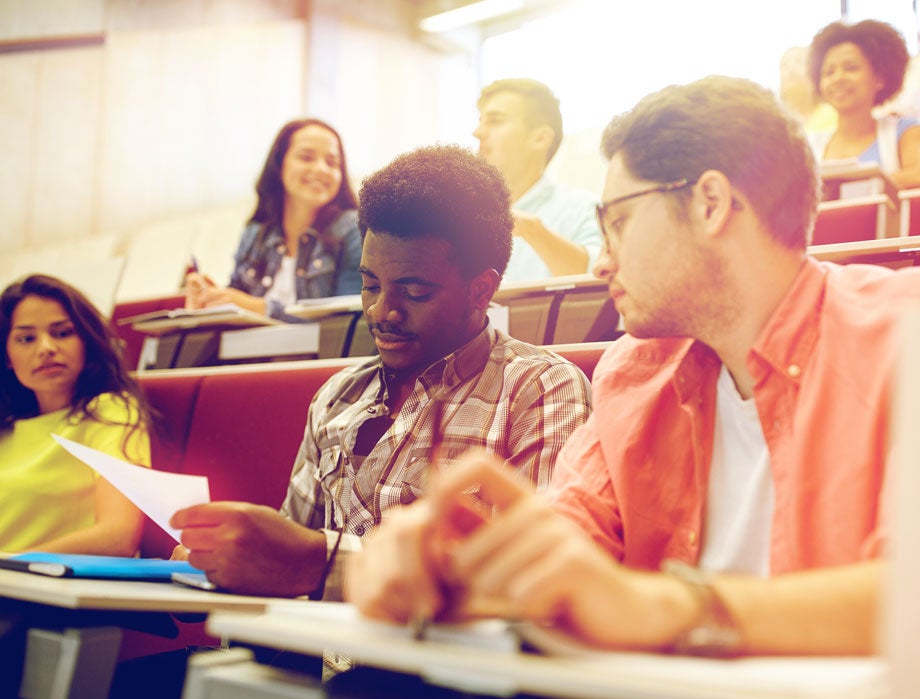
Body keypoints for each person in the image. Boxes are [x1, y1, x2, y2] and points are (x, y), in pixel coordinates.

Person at [347, 76, 920, 657]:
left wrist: (674, 606)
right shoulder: (632, 372)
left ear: (711, 203)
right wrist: (459, 568)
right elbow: (570, 545)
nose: (600, 262)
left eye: (618, 221)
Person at [169, 145, 593, 599]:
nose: (381, 310)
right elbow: (286, 557)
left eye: (414, 292)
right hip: (312, 658)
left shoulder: (540, 388)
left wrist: (321, 563)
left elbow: (536, 576)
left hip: (435, 665)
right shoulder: (338, 395)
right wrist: (227, 564)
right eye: (370, 285)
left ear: (480, 290)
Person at [0, 274, 151, 555]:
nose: (46, 348)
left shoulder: (110, 411)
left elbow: (117, 537)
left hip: (45, 588)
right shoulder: (6, 426)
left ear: (86, 341)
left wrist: (10, 566)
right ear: (7, 357)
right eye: (26, 338)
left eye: (62, 333)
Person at [185, 118, 362, 320]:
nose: (321, 169)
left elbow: (347, 321)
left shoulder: (353, 231)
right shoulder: (255, 234)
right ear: (279, 164)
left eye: (332, 162)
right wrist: (211, 299)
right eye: (306, 157)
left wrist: (261, 308)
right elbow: (237, 303)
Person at [474, 78, 603, 283]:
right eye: (480, 121)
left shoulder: (583, 209)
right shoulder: (461, 217)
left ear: (540, 138)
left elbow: (599, 277)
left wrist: (532, 231)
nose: (478, 132)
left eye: (495, 120)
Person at [807, 20, 920, 189]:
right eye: (828, 72)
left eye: (851, 68)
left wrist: (843, 190)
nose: (838, 78)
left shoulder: (906, 130)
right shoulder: (810, 146)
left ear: (880, 78)